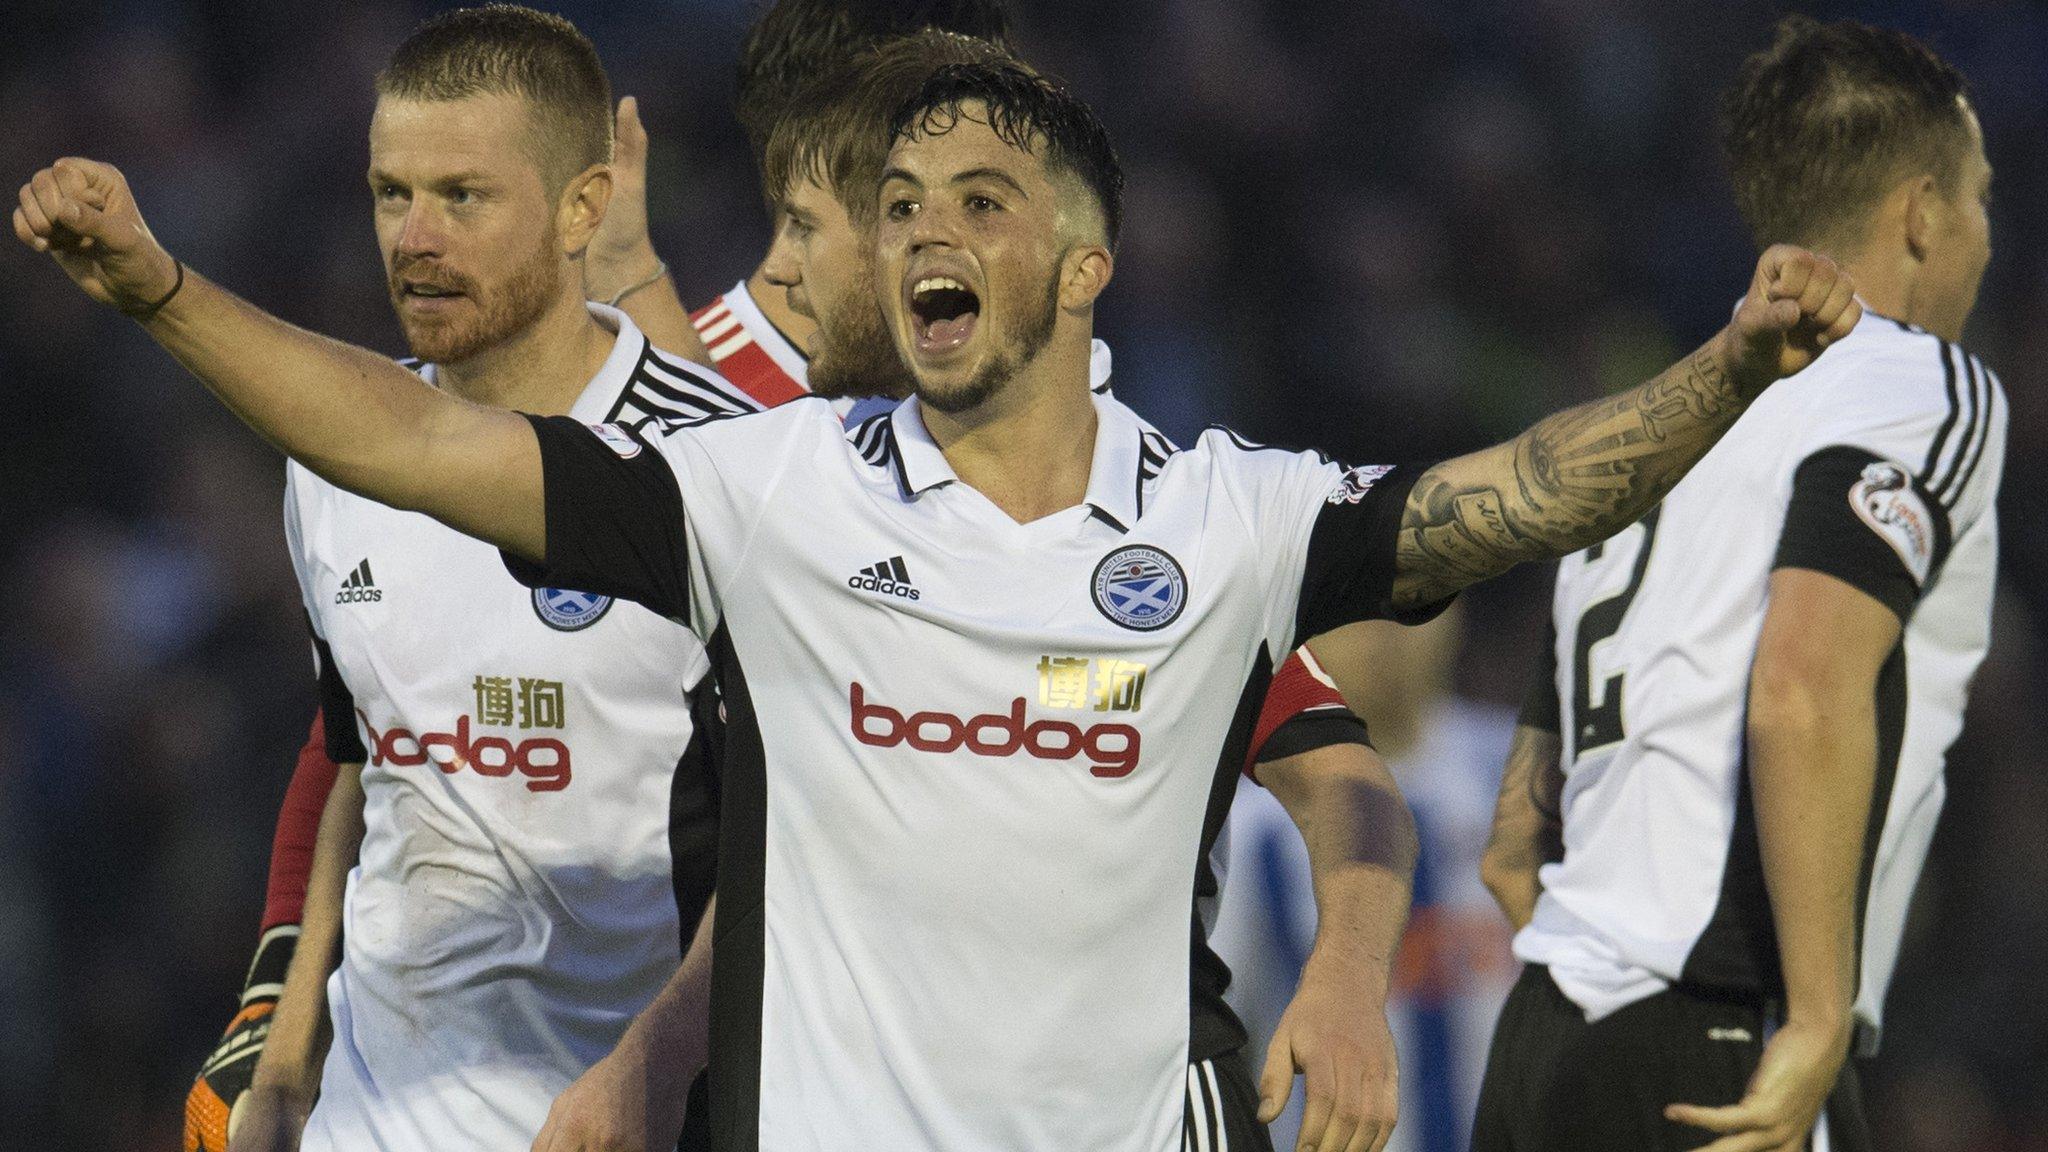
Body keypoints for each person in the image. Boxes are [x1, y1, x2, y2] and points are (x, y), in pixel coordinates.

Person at [17, 51, 1856, 1152]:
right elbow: (428, 454)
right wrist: (165, 291)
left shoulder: (1215, 524)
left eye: (976, 198)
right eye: (897, 201)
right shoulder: (765, 495)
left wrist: (1729, 369)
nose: (921, 235)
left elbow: (1504, 494)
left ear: (1082, 262)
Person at [166, 8, 768, 1151]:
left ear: (582, 207)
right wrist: (284, 1066)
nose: (415, 236)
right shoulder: (333, 464)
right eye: (392, 193)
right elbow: (366, 757)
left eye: (462, 196)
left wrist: (652, 1063)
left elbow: (801, 844)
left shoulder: (731, 473)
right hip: (370, 1120)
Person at [1475, 18, 2003, 1152]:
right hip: (1721, 1033)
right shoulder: (1917, 384)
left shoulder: (1657, 416)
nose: (1983, 238)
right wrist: (1812, 1019)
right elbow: (1800, 685)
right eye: (1979, 201)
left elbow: (1512, 839)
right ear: (1918, 212)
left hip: (1538, 1046)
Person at [1213, 608, 1519, 1152]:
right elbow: (1218, 1027)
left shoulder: (1519, 777)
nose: (1382, 636)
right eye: (1352, 614)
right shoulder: (1251, 821)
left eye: (1414, 606)